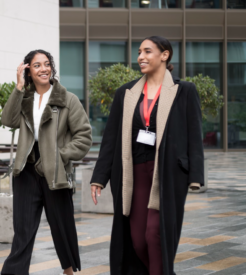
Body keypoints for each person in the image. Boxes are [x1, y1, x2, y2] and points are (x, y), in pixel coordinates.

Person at [90, 36, 204, 275]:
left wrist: (195, 176)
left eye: (147, 51)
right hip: (134, 174)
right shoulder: (126, 93)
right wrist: (99, 177)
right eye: (139, 52)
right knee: (137, 240)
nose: (140, 56)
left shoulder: (184, 91)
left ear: (165, 55)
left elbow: (194, 135)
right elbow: (110, 139)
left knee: (155, 234)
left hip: (168, 174)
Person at [0, 49, 92, 275]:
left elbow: (84, 137)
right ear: (28, 70)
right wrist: (19, 87)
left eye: (47, 63)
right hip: (26, 171)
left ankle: (69, 271)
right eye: (37, 65)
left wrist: (60, 156)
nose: (44, 69)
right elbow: (8, 120)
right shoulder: (25, 99)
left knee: (62, 227)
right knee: (23, 230)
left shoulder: (67, 99)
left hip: (56, 171)